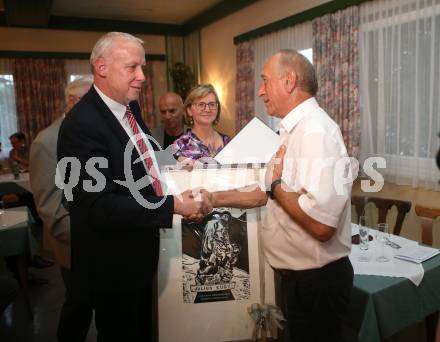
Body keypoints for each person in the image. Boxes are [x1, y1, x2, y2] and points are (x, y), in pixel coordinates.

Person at [57, 32, 205, 341]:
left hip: (140, 256)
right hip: (113, 266)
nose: (142, 77)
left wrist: (172, 167)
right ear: (102, 67)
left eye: (143, 68)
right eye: (132, 67)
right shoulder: (82, 124)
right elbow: (96, 205)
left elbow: (138, 165)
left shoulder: (129, 108)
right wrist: (174, 205)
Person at [202, 49, 354, 342]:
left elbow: (321, 226)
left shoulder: (315, 132)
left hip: (316, 283)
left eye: (265, 81)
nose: (260, 90)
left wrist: (276, 187)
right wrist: (213, 198)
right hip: (297, 279)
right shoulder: (291, 131)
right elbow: (266, 193)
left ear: (289, 81)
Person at [29, 77, 93, 342]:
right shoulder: (46, 141)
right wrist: (88, 241)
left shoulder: (91, 133)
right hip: (75, 245)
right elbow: (50, 209)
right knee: (78, 307)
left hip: (101, 239)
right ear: (72, 101)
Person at [172, 84, 230, 166]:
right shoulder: (180, 146)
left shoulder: (227, 141)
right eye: (201, 104)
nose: (207, 109)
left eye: (212, 104)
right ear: (189, 110)